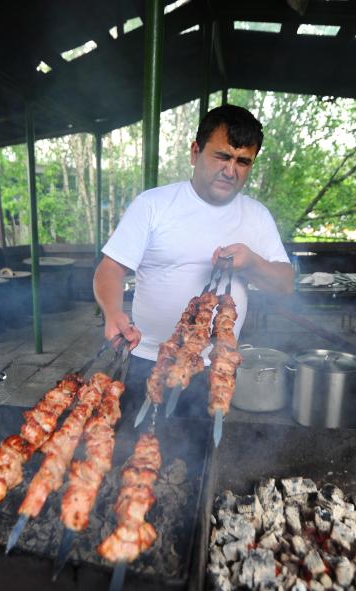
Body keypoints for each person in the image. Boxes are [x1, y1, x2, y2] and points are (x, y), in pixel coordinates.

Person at [93, 104, 293, 416]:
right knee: (134, 455)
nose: (231, 170)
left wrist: (252, 262)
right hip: (147, 358)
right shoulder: (153, 205)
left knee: (197, 457)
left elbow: (285, 285)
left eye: (243, 161)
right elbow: (110, 268)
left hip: (214, 369)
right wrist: (113, 311)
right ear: (195, 152)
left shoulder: (257, 216)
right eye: (222, 156)